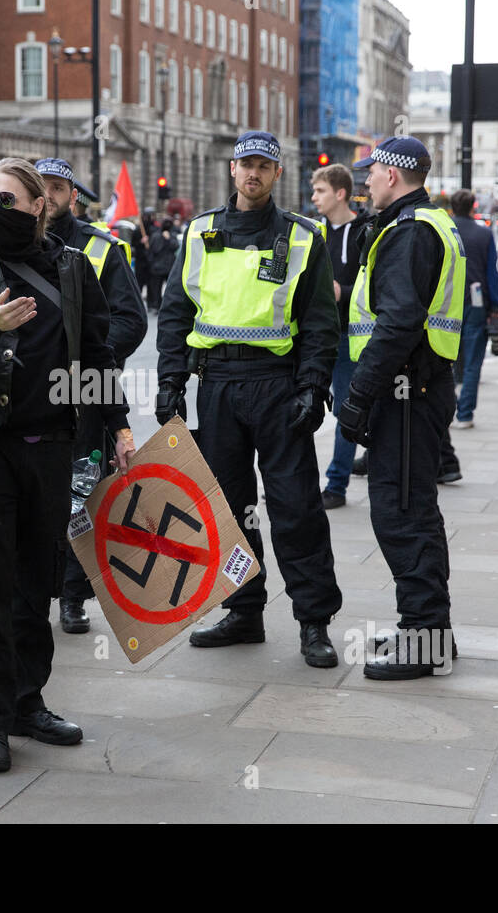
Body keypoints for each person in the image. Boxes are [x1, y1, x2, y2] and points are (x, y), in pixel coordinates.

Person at [0, 157, 135, 774]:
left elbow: (99, 352)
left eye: (8, 198)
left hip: (53, 446)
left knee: (37, 583)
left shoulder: (73, 268)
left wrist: (119, 425)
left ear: (38, 205)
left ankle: (29, 701)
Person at [156, 130, 343, 667]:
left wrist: (313, 386)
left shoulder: (304, 236)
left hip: (277, 388)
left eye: (264, 165)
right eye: (246, 165)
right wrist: (171, 381)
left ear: (277, 173)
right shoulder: (199, 232)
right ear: (232, 171)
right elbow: (175, 312)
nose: (253, 173)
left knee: (296, 508)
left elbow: (319, 324)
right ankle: (244, 611)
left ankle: (313, 621)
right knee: (228, 511)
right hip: (217, 386)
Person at [335, 136, 464, 679]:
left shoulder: (409, 232)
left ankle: (425, 636)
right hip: (419, 389)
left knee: (401, 511)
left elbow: (397, 323)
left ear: (393, 174)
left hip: (407, 392)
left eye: (371, 173)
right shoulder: (426, 223)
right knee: (414, 507)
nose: (364, 182)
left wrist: (359, 396)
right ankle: (429, 628)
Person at [36, 156, 147, 634]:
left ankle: (74, 597)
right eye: (42, 186)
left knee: (83, 493)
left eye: (59, 187)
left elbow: (132, 320)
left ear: (73, 194)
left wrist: (84, 357)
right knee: (37, 493)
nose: (51, 194)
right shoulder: (17, 243)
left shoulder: (103, 249)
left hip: (87, 388)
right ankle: (37, 589)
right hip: (33, 392)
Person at [311, 162, 370, 510]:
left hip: (350, 336)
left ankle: (336, 485)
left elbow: (372, 285)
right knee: (301, 407)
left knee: (347, 411)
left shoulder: (363, 232)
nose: (314, 197)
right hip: (315, 336)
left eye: (320, 191)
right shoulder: (314, 233)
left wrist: (342, 292)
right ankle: (298, 483)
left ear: (340, 193)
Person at [449, 189, 498, 428]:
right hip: (476, 302)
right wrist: (496, 306)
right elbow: (492, 272)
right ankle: (465, 414)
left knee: (446, 361)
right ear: (473, 206)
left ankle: (447, 411)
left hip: (447, 303)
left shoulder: (445, 230)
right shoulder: (483, 234)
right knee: (472, 362)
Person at [146, 216, 179, 313]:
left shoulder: (172, 235)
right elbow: (152, 250)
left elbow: (175, 246)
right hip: (157, 267)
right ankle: (157, 306)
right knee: (156, 288)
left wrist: (168, 239)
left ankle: (167, 306)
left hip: (168, 267)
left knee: (170, 288)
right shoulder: (156, 236)